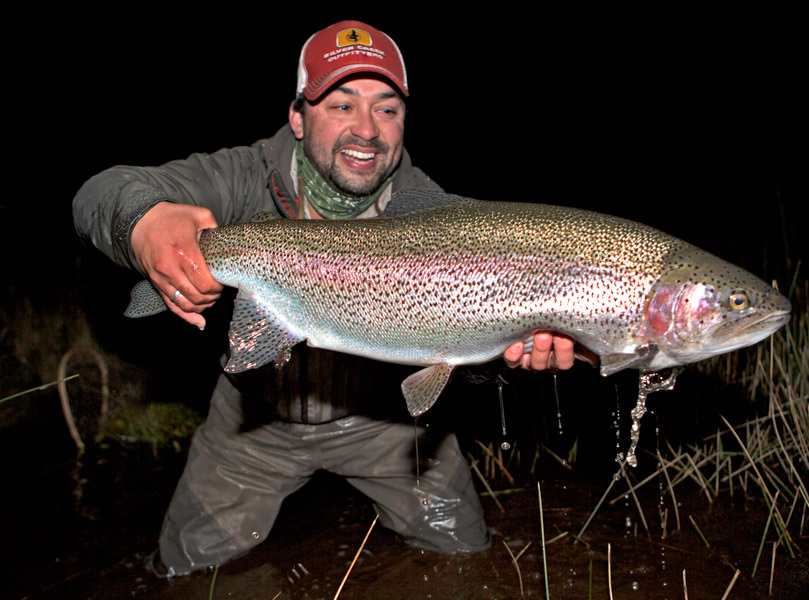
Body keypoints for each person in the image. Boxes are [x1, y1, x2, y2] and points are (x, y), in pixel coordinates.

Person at [72, 20, 576, 577]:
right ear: (297, 116)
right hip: (254, 422)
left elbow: (457, 339)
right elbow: (100, 192)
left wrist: (506, 357)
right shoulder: (244, 177)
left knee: (464, 564)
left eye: (387, 109)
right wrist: (143, 225)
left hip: (388, 425)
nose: (367, 129)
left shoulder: (432, 211)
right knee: (181, 572)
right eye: (341, 105)